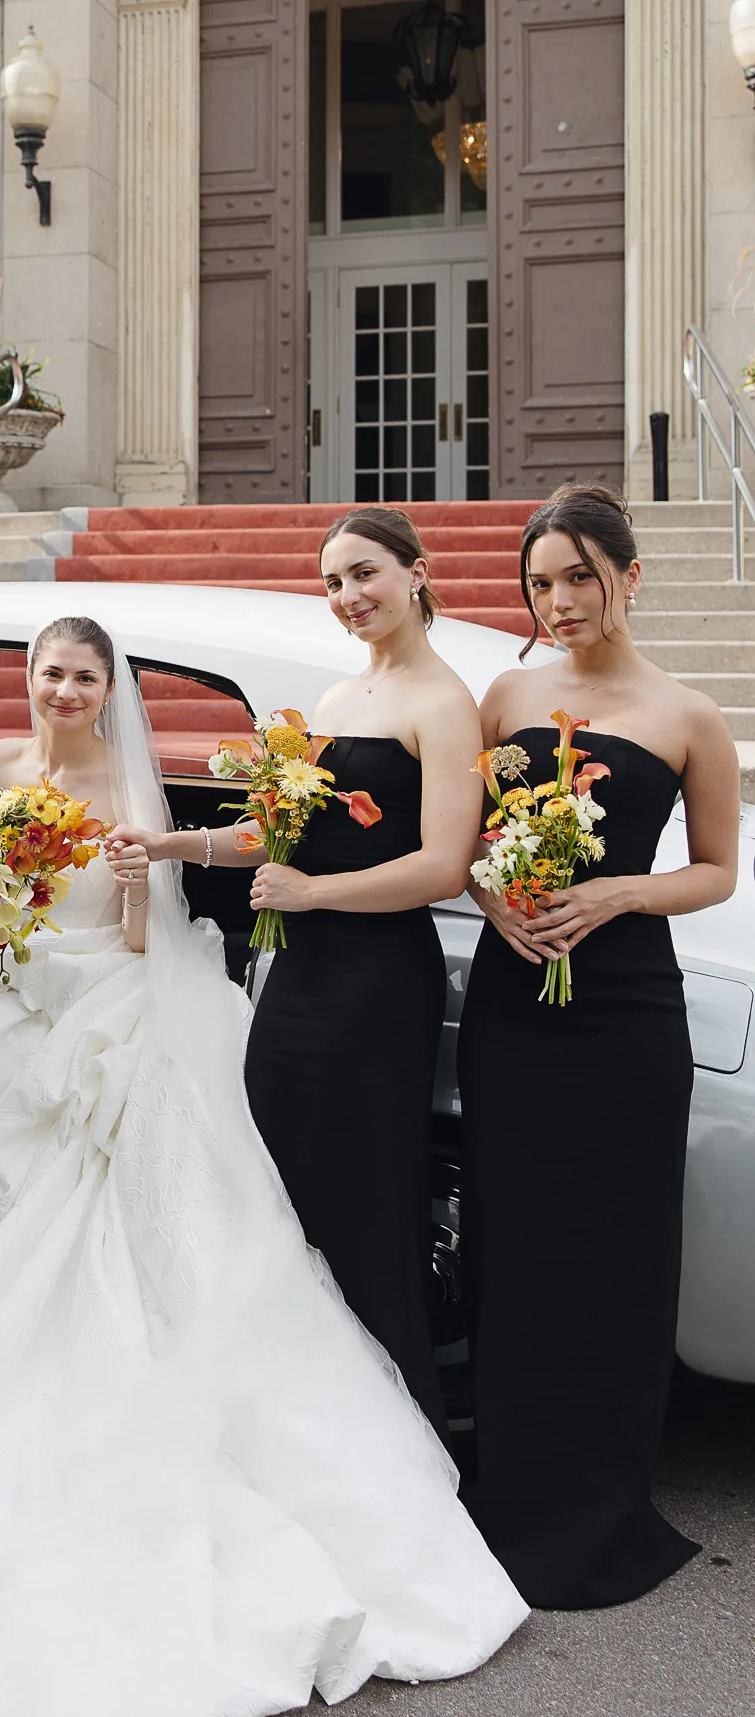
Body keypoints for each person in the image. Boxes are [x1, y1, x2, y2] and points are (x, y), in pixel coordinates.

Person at [0, 615, 527, 1717]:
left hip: (90, 1011)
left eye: (83, 675)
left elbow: (144, 935)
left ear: (109, 689)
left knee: (80, 1233)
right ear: (32, 680)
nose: (62, 688)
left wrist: (126, 882)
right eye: (48, 670)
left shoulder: (131, 791)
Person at [115, 507, 482, 1438]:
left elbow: (445, 864)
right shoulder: (331, 702)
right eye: (331, 583)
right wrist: (173, 840)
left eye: (364, 574)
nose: (348, 596)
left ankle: (386, 1432)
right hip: (302, 984)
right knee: (282, 1188)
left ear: (416, 572)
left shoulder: (446, 703)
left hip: (377, 983)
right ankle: (286, 1420)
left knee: (363, 1192)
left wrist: (314, 894)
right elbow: (278, 836)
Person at [459, 483, 739, 1609]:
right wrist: (496, 899)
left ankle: (602, 1496)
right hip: (514, 1001)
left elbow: (716, 866)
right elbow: (467, 842)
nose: (560, 599)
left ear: (630, 574)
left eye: (580, 575)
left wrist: (621, 891)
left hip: (628, 1013)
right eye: (541, 582)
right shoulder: (506, 693)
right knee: (515, 1239)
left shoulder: (688, 713)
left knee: (618, 1247)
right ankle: (513, 1490)